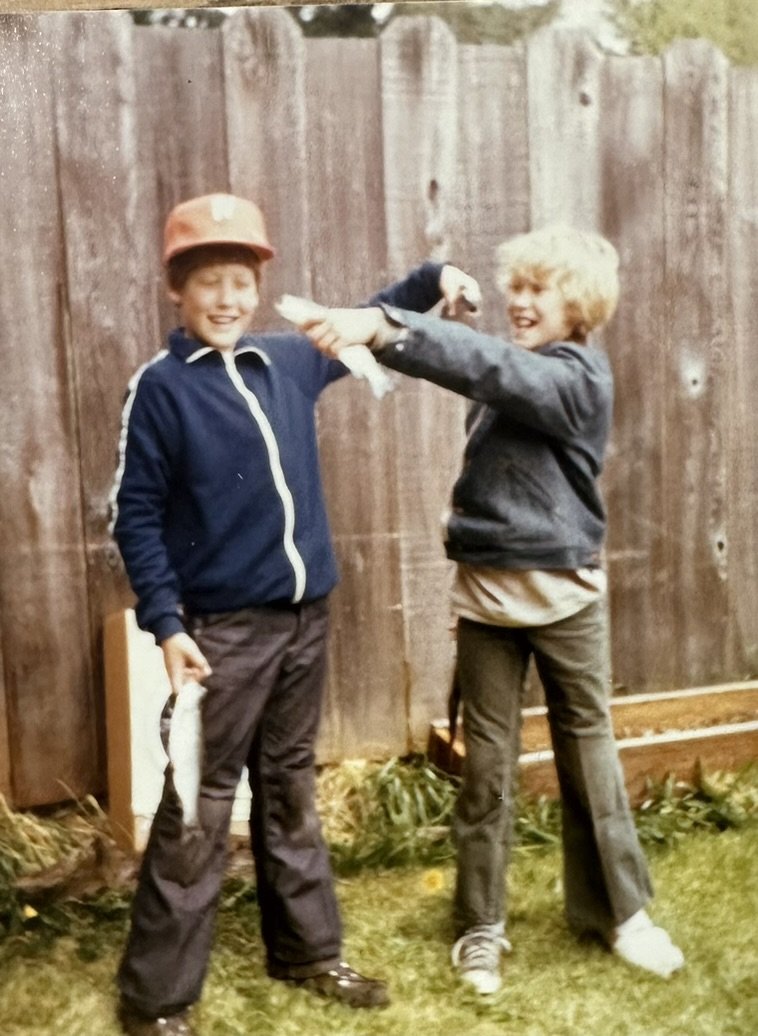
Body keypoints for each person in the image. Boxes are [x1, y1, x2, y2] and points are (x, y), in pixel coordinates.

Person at [110, 192, 478, 1036]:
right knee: (200, 801)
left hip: (308, 619)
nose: (227, 298)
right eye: (209, 281)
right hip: (222, 634)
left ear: (258, 286)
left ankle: (308, 952)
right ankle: (156, 1000)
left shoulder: (288, 359)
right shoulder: (160, 390)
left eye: (240, 280)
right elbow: (135, 516)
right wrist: (167, 625)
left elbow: (364, 318)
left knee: (290, 785)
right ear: (177, 289)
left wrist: (434, 280)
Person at [294, 224, 685, 995]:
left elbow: (493, 368)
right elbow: (489, 379)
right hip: (486, 601)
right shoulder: (516, 375)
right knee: (487, 772)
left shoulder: (579, 379)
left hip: (566, 602)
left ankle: (621, 915)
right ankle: (481, 926)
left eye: (541, 289)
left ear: (581, 305)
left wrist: (386, 326)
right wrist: (433, 296)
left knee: (591, 760)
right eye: (518, 287)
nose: (521, 301)